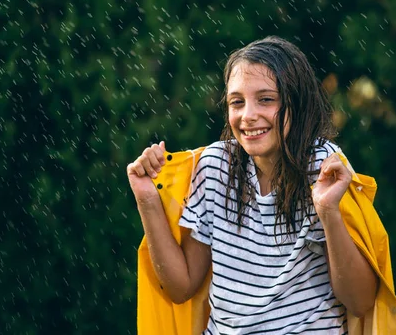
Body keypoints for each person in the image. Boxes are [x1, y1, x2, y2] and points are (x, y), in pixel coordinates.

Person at [127, 36, 379, 334]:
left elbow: (360, 301)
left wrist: (328, 211)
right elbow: (181, 287)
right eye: (237, 102)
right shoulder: (214, 166)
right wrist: (147, 198)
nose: (248, 116)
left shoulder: (324, 167)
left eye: (266, 99)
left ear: (296, 103)